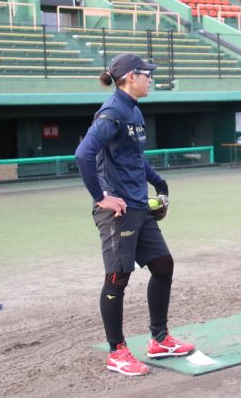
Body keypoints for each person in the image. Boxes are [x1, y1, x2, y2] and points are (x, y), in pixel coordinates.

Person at [75, 54, 194, 377]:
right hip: (119, 212)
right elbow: (83, 154)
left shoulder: (133, 110)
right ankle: (117, 352)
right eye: (146, 74)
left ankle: (159, 340)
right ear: (130, 77)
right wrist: (101, 198)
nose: (150, 78)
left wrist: (159, 183)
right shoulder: (112, 113)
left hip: (139, 207)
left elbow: (134, 158)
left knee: (162, 265)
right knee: (118, 277)